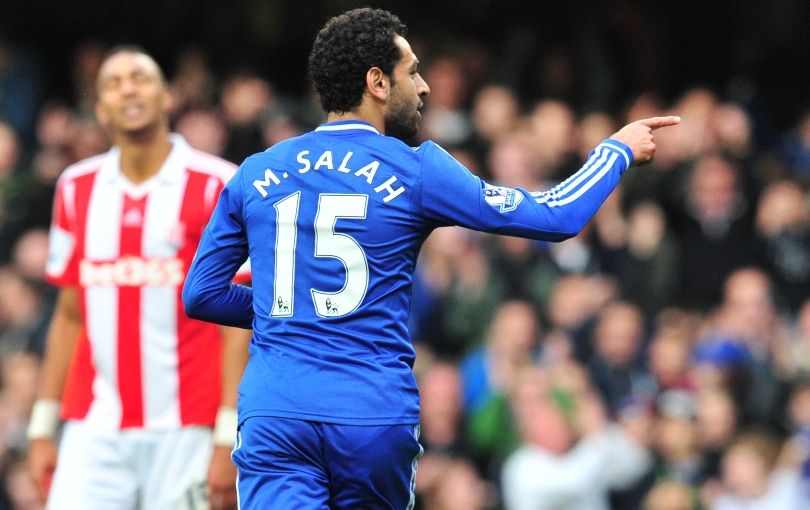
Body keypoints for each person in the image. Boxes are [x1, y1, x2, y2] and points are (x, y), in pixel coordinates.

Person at [182, 7, 680, 509]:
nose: (422, 88)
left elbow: (201, 294)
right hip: (370, 416)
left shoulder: (256, 172)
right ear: (377, 81)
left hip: (277, 411)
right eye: (412, 72)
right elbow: (554, 216)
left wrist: (290, 309)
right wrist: (614, 152)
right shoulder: (417, 170)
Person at [25, 46, 251, 510]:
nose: (128, 87)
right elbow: (70, 314)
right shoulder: (74, 187)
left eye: (141, 77)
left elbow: (238, 323)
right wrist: (42, 427)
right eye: (113, 81)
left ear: (168, 97)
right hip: (94, 427)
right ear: (100, 107)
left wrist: (229, 436)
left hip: (189, 427)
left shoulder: (217, 185)